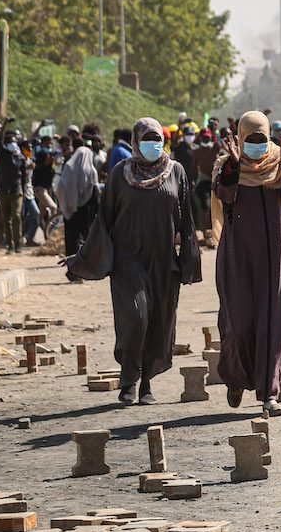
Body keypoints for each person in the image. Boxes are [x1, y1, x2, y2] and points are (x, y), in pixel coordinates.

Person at [64, 117, 202, 405]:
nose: (153, 144)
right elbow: (103, 219)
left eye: (157, 139)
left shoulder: (176, 172)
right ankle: (129, 378)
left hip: (164, 264)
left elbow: (186, 219)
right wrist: (83, 257)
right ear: (136, 141)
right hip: (128, 263)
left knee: (158, 323)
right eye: (147, 138)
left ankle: (146, 384)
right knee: (135, 317)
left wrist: (188, 260)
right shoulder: (120, 174)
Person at [213, 110, 281, 416]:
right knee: (238, 323)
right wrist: (233, 161)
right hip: (238, 257)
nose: (255, 144)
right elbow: (223, 193)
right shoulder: (228, 165)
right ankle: (237, 378)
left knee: (273, 323)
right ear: (241, 138)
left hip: (275, 255)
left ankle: (269, 393)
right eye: (250, 139)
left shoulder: (278, 163)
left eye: (261, 138)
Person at [57, 138, 100, 268]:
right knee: (84, 239)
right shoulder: (92, 171)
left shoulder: (69, 167)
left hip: (71, 211)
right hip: (86, 213)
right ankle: (82, 268)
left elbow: (61, 187)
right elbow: (95, 194)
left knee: (72, 240)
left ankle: (73, 269)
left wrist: (70, 203)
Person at [0, 126, 27, 254]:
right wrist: (6, 123)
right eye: (10, 142)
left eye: (14, 142)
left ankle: (18, 245)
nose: (13, 144)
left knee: (16, 216)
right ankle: (10, 245)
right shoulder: (3, 155)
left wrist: (22, 190)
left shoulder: (21, 158)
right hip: (3, 191)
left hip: (16, 191)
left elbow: (23, 177)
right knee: (6, 219)